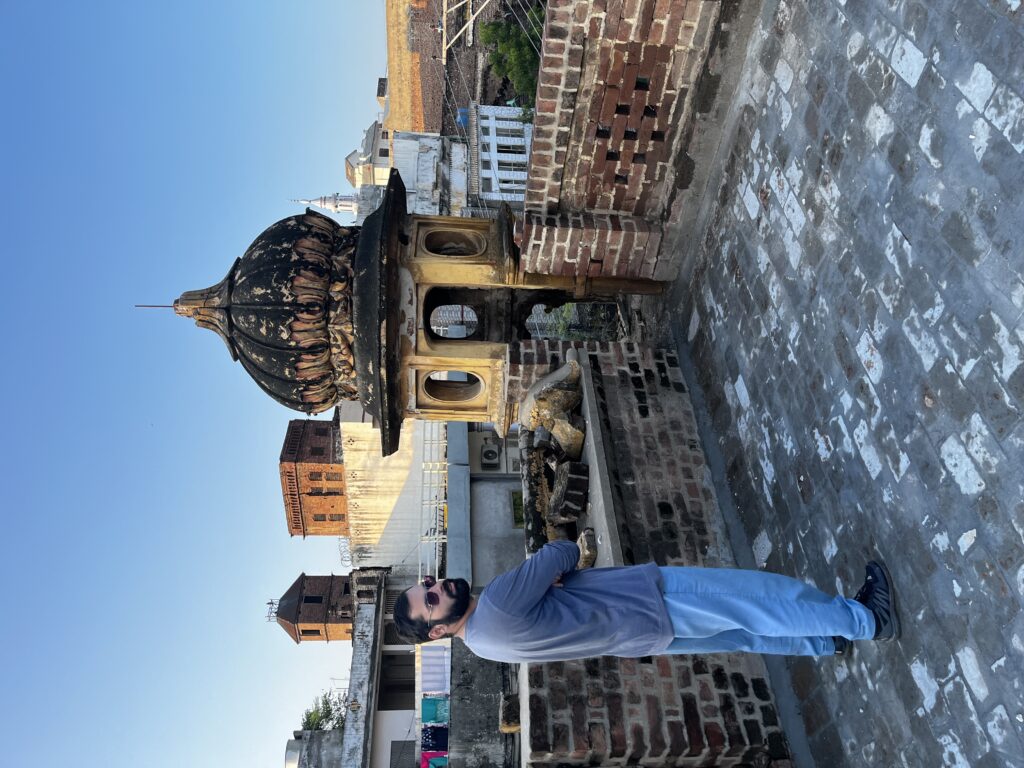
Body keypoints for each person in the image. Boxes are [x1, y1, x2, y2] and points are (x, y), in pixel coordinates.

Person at [393, 539, 898, 662]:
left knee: (744, 635)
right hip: (650, 601)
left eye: (430, 584)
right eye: (432, 600)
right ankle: (866, 620)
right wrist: (546, 574)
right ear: (436, 630)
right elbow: (563, 550)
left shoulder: (482, 646)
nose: (440, 587)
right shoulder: (497, 601)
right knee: (758, 599)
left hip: (641, 637)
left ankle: (826, 641)